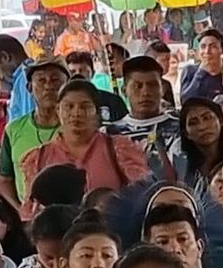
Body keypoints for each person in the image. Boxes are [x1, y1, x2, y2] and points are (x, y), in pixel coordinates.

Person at [19, 80, 151, 198]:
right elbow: (31, 210)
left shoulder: (118, 149)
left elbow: (141, 195)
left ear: (97, 112)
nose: (76, 113)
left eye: (85, 107)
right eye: (69, 107)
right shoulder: (39, 157)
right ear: (58, 110)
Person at [0, 58, 68, 205]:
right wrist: (19, 211)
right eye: (41, 80)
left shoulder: (76, 128)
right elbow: (5, 179)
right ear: (30, 88)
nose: (48, 86)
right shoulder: (13, 129)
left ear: (66, 85)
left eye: (55, 80)